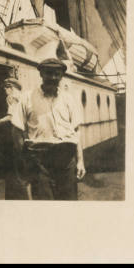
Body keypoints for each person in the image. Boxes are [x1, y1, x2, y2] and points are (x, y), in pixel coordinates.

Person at [10, 58, 86, 200]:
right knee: (44, 205)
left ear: (62, 76)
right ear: (41, 74)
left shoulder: (69, 99)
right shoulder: (27, 98)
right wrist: (26, 159)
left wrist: (80, 161)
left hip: (67, 159)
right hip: (40, 162)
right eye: (49, 73)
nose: (53, 77)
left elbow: (76, 131)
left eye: (57, 74)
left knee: (69, 203)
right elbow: (16, 130)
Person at [0, 78, 31, 200]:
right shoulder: (23, 96)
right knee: (24, 159)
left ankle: (23, 190)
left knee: (19, 159)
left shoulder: (12, 98)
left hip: (17, 131)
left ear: (11, 88)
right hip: (25, 132)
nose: (4, 89)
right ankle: (26, 185)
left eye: (6, 87)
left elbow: (10, 116)